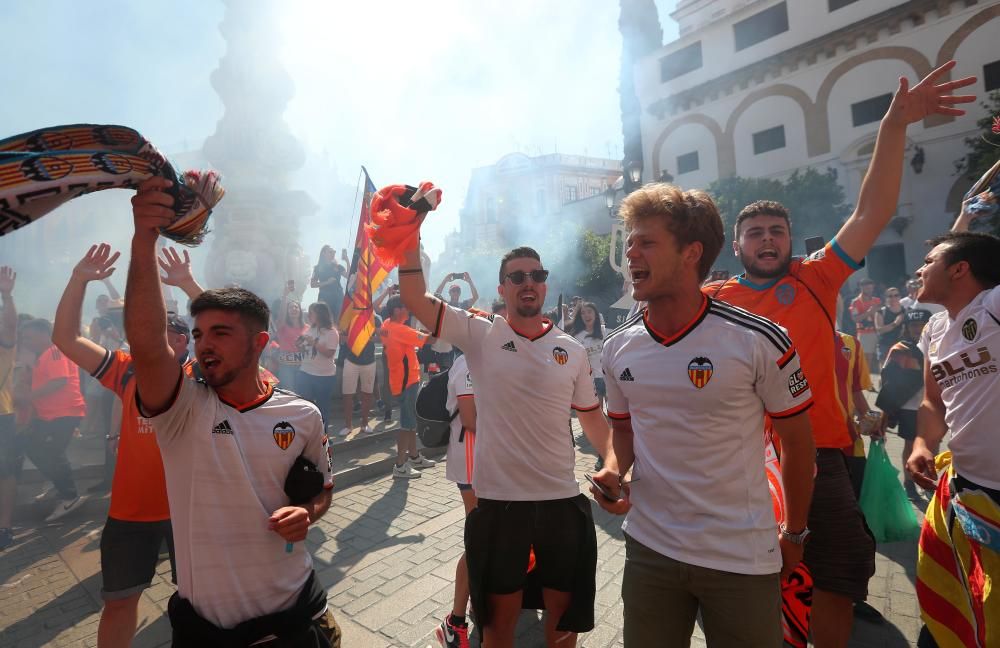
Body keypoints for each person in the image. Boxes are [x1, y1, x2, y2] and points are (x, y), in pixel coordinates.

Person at [704, 61, 976, 648]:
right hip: (736, 457)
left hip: (820, 453)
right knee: (738, 575)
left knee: (841, 569)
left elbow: (870, 211)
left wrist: (894, 125)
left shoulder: (817, 276)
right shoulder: (712, 298)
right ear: (737, 245)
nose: (768, 239)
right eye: (755, 233)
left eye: (777, 229)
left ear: (789, 237)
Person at [592, 183, 815, 647]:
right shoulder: (617, 347)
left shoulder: (758, 339)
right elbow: (623, 431)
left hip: (741, 555)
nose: (631, 252)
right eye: (630, 241)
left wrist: (795, 532)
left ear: (692, 252)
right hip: (650, 550)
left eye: (646, 242)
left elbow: (798, 445)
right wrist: (613, 470)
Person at [124, 176, 341, 645]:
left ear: (260, 343)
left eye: (221, 334)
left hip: (298, 620)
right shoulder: (181, 409)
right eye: (199, 335)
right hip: (206, 632)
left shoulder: (303, 415)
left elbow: (324, 487)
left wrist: (309, 511)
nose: (204, 346)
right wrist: (145, 237)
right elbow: (146, 345)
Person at [400, 241, 613, 648]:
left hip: (561, 500)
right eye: (517, 277)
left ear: (546, 286)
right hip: (499, 503)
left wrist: (615, 463)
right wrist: (407, 242)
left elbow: (592, 418)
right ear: (502, 289)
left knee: (564, 627)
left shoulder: (570, 349)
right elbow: (414, 298)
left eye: (537, 275)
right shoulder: (480, 334)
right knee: (497, 628)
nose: (528, 282)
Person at [51, 243, 193, 648]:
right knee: (118, 604)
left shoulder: (201, 376)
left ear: (183, 342)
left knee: (199, 600)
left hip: (190, 509)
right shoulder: (124, 370)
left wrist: (185, 283)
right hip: (130, 512)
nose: (146, 332)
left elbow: (241, 333)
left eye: (164, 328)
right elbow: (65, 337)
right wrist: (78, 278)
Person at [906, 232, 1000, 647]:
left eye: (929, 261)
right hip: (965, 491)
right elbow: (933, 402)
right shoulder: (936, 328)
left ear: (960, 269)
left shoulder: (995, 307)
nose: (919, 269)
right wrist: (922, 445)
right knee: (959, 605)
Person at [17, 317, 88, 523]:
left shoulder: (55, 351)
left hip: (64, 413)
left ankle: (69, 496)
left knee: (49, 451)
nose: (26, 341)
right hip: (50, 415)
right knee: (35, 447)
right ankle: (60, 486)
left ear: (42, 334)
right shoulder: (43, 356)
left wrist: (28, 397)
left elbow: (59, 381)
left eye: (28, 337)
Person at [435, 349, 477, 648]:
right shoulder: (468, 362)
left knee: (488, 536)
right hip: (472, 461)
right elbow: (472, 418)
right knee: (479, 539)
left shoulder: (489, 358)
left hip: (488, 462)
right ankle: (454, 621)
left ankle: (478, 599)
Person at [380, 296, 436, 478]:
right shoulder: (400, 329)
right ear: (397, 310)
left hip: (401, 381)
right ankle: (400, 465)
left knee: (411, 422)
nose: (408, 310)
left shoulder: (387, 325)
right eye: (405, 307)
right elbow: (431, 340)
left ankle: (414, 456)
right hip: (407, 382)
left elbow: (407, 335)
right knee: (406, 425)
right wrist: (438, 324)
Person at [877, 309, 931, 499]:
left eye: (921, 324)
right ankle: (909, 483)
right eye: (913, 325)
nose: (917, 329)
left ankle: (929, 481)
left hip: (933, 406)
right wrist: (886, 410)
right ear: (907, 328)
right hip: (909, 407)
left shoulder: (940, 344)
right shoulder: (901, 349)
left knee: (932, 445)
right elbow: (887, 378)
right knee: (910, 445)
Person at [339, 289, 391, 437]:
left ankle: (364, 423)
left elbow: (383, 337)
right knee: (347, 394)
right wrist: (352, 337)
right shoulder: (349, 317)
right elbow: (340, 338)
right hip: (351, 360)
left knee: (367, 393)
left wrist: (369, 336)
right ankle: (348, 425)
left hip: (369, 361)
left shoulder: (376, 318)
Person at [297, 302, 339, 432]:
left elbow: (329, 354)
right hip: (305, 373)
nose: (308, 315)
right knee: (305, 407)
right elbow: (306, 352)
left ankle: (323, 437)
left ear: (320, 314)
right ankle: (307, 436)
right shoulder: (310, 329)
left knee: (322, 408)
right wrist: (300, 345)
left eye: (311, 313)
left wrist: (313, 342)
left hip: (324, 376)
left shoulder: (332, 332)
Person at [0, 266, 18, 550]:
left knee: (4, 472)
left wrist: (7, 297)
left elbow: (11, 326)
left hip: (2, 415)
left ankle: (4, 527)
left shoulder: (4, 345)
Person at [566, 302, 607, 404]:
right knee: (599, 413)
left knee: (613, 413)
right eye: (583, 313)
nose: (586, 315)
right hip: (591, 379)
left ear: (595, 314)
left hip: (609, 376)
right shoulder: (577, 336)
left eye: (589, 312)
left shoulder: (604, 330)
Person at [275, 284, 307, 392]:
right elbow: (280, 318)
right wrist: (284, 296)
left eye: (296, 307)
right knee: (289, 392)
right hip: (286, 367)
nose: (294, 309)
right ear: (287, 311)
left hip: (304, 366)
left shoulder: (308, 328)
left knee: (302, 393)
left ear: (300, 310)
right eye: (291, 307)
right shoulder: (282, 326)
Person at [850, 278, 881, 371]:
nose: (869, 289)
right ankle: (867, 383)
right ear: (861, 287)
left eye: (870, 287)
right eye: (866, 287)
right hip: (864, 334)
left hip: (878, 331)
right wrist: (869, 312)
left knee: (881, 357)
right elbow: (855, 319)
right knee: (867, 360)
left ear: (873, 287)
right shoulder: (855, 302)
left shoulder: (877, 300)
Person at [311, 246, 348, 321]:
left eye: (334, 252)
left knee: (339, 319)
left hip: (338, 295)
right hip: (325, 296)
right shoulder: (317, 268)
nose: (333, 253)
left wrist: (347, 260)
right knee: (325, 320)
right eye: (330, 252)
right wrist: (327, 282)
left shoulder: (338, 266)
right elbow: (312, 284)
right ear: (324, 253)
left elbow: (348, 276)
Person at [873, 286, 906, 366]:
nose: (893, 298)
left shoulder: (906, 311)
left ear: (900, 297)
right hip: (885, 344)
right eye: (890, 296)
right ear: (886, 298)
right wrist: (895, 323)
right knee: (884, 369)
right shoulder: (880, 312)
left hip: (901, 344)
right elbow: (879, 330)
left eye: (896, 295)